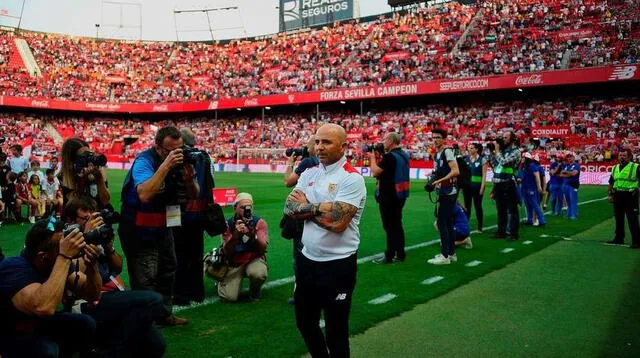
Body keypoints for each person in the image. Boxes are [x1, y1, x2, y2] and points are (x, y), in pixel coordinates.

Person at [284, 123, 367, 357]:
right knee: (305, 323)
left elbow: (338, 224)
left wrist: (306, 209)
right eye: (317, 141)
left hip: (338, 264)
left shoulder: (351, 178)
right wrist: (323, 208)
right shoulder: (309, 172)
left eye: (327, 142)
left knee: (336, 330)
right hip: (307, 261)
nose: (319, 147)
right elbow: (290, 209)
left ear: (343, 146)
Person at [64, 197, 167, 357]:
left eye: (94, 217)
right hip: (85, 301)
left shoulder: (97, 236)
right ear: (70, 220)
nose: (92, 221)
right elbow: (74, 273)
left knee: (156, 344)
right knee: (153, 300)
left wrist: (108, 246)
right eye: (86, 218)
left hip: (112, 296)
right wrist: (87, 237)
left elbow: (118, 267)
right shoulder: (66, 240)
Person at [118, 126, 198, 326]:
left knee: (168, 270)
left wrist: (189, 180)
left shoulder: (180, 163)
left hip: (163, 227)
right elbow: (144, 194)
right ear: (158, 147)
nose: (176, 154)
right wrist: (166, 166)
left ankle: (164, 314)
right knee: (145, 277)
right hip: (138, 229)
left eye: (179, 149)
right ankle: (144, 323)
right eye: (170, 150)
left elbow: (194, 194)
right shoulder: (144, 161)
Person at [0, 217, 99, 358]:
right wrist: (64, 256)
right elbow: (44, 307)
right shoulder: (13, 269)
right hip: (11, 332)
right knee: (47, 350)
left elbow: (93, 295)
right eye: (62, 246)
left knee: (85, 324)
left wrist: (92, 266)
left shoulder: (53, 262)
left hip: (36, 325)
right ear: (43, 257)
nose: (68, 248)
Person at [173, 128, 214, 305]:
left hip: (178, 211)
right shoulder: (205, 157)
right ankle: (197, 292)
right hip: (199, 212)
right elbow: (211, 183)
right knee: (196, 254)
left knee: (178, 253)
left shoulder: (179, 157)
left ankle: (180, 294)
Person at [284, 136, 319, 303]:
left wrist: (290, 163)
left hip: (304, 214)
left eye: (307, 145)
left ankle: (301, 294)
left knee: (301, 256)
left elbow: (288, 182)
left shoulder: (308, 163)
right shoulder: (326, 163)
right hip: (320, 213)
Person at [218, 192, 269, 302]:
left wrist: (252, 235)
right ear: (235, 208)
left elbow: (262, 249)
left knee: (259, 274)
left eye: (249, 207)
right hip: (234, 261)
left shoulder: (259, 223)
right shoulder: (227, 224)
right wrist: (236, 235)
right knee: (228, 298)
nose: (247, 210)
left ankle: (255, 289)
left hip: (252, 259)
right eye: (242, 208)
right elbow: (227, 252)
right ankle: (221, 279)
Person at [368, 131, 410, 264]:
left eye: (385, 139)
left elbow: (375, 172)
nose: (382, 142)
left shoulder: (390, 157)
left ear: (391, 141)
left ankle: (390, 255)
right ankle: (400, 253)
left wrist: (372, 159)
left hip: (389, 196)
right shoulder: (403, 154)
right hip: (400, 194)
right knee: (397, 224)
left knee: (390, 226)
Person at [427, 128, 460, 265]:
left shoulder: (447, 151)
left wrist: (438, 182)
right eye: (433, 137)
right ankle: (451, 253)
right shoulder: (438, 154)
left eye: (438, 137)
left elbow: (455, 171)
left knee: (442, 222)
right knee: (448, 222)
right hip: (445, 191)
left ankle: (444, 256)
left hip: (449, 191)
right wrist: (432, 180)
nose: (435, 140)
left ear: (444, 139)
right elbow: (438, 172)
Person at [59, 138, 110, 211]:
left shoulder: (98, 171)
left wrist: (99, 179)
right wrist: (82, 179)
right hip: (74, 220)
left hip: (96, 217)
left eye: (90, 154)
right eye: (84, 157)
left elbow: (105, 201)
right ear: (73, 161)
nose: (89, 159)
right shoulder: (63, 177)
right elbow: (73, 207)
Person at [488, 131, 522, 241]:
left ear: (512, 139)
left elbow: (504, 162)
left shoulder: (516, 151)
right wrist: (492, 152)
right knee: (501, 209)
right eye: (502, 138)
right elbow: (494, 165)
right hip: (498, 182)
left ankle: (513, 233)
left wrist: (497, 152)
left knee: (512, 209)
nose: (503, 140)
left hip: (509, 182)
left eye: (505, 137)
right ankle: (501, 232)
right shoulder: (502, 151)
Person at [606, 149, 640, 248]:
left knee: (632, 219)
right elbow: (611, 182)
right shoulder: (615, 167)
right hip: (617, 194)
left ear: (629, 157)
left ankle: (637, 241)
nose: (622, 157)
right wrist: (610, 194)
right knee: (618, 218)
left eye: (624, 155)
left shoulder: (636, 167)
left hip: (631, 195)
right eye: (620, 155)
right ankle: (619, 238)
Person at [463, 143, 487, 232]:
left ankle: (480, 226)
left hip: (477, 187)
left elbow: (484, 175)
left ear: (476, 149)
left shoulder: (482, 160)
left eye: (471, 148)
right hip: (467, 187)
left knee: (478, 206)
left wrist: (482, 187)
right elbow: (464, 175)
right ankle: (465, 226)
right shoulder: (466, 160)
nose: (469, 149)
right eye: (469, 148)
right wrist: (462, 187)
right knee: (467, 207)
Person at [521, 153, 547, 227]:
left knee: (535, 205)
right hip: (525, 187)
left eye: (523, 157)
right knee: (527, 205)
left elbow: (537, 176)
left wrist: (539, 187)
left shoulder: (532, 166)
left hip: (532, 188)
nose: (522, 159)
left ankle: (542, 220)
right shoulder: (524, 166)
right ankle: (530, 220)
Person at [560, 152, 580, 219]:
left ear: (574, 157)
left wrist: (566, 173)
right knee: (568, 200)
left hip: (573, 185)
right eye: (568, 157)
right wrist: (569, 174)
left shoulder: (577, 165)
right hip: (565, 185)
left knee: (573, 200)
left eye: (570, 157)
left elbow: (574, 173)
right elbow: (561, 174)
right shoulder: (567, 166)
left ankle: (573, 215)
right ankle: (569, 213)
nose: (569, 158)